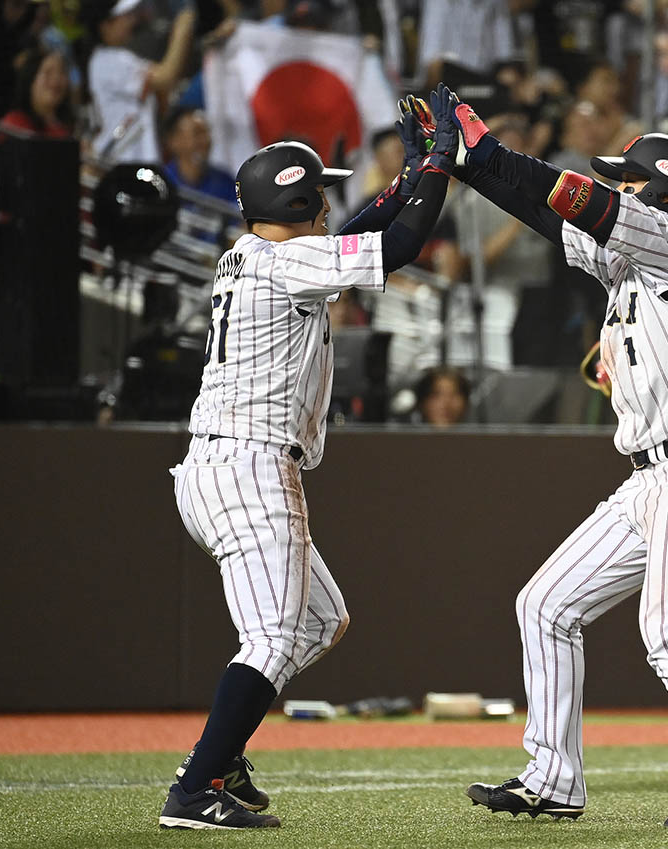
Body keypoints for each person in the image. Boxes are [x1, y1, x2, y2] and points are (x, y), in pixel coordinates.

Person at [439, 89, 668, 829]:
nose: (617, 183)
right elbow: (550, 217)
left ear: (662, 191)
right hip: (652, 476)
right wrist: (467, 169)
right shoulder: (626, 266)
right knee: (545, 604)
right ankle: (554, 775)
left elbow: (578, 200)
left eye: (630, 176)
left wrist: (491, 152)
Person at [157, 87, 460, 830]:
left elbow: (355, 236)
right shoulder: (282, 263)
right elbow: (397, 247)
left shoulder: (257, 256)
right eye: (317, 193)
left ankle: (219, 756)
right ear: (290, 202)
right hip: (253, 464)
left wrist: (408, 177)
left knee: (320, 622)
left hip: (220, 466)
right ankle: (197, 785)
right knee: (271, 636)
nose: (326, 204)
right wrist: (442, 164)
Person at [82, 0, 194, 162]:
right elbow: (166, 76)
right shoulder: (107, 61)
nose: (132, 20)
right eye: (125, 16)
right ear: (105, 25)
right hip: (121, 162)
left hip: (133, 161)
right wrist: (182, 27)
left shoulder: (116, 58)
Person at [160, 105, 237, 206]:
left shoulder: (225, 182)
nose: (205, 140)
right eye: (197, 133)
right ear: (173, 141)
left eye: (206, 132)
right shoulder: (161, 183)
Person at [0, 47, 74, 139]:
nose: (56, 79)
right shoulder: (15, 124)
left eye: (62, 72)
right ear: (31, 80)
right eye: (48, 72)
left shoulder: (70, 129)